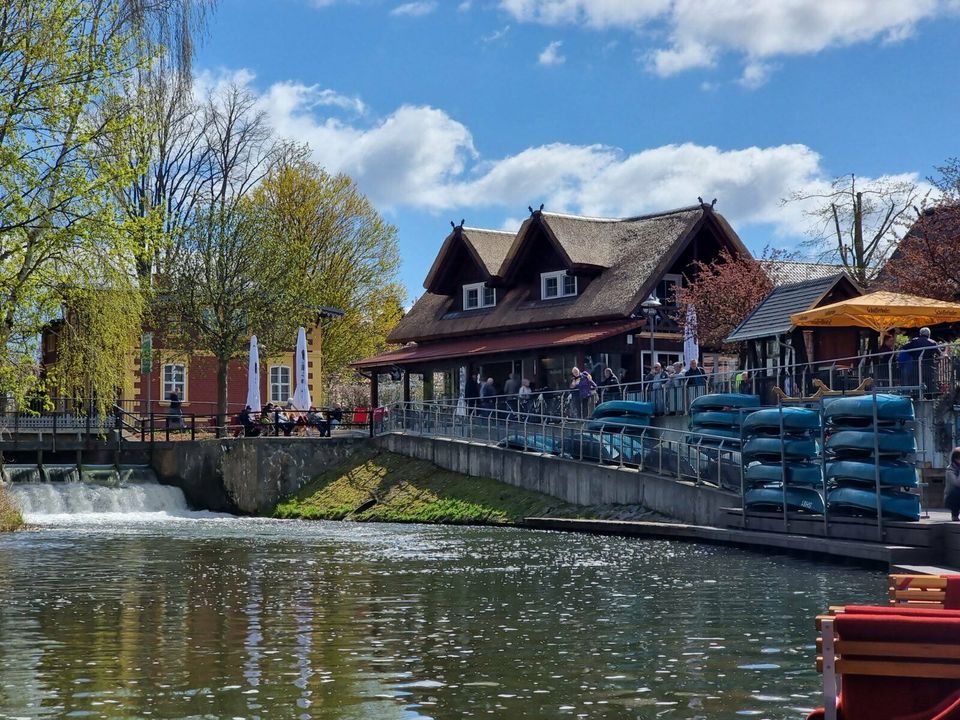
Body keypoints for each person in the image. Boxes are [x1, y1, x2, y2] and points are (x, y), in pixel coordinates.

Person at [901, 327, 942, 398]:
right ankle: (929, 399)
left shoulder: (915, 341)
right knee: (929, 383)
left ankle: (916, 398)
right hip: (929, 366)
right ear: (929, 334)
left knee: (916, 382)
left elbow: (904, 347)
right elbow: (939, 353)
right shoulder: (933, 342)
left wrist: (912, 353)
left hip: (916, 366)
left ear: (920, 334)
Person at [946, 447, 960, 521]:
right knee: (957, 492)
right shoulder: (950, 470)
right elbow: (957, 484)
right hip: (951, 498)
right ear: (956, 459)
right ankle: (955, 515)